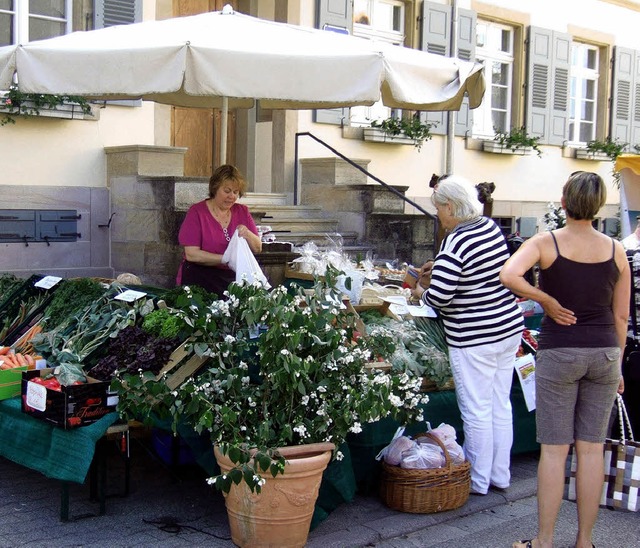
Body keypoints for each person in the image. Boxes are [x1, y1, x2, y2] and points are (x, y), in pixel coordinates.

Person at [499, 171, 629, 548]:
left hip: (560, 351)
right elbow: (620, 316)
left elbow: (509, 274)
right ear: (597, 206)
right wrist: (617, 363)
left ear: (563, 202)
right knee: (591, 450)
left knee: (554, 452)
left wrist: (546, 300)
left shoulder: (546, 242)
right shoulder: (615, 249)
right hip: (604, 351)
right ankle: (585, 541)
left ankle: (543, 541)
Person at [412, 175, 524, 496]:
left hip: (475, 335)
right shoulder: (489, 227)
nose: (438, 216)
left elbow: (441, 295)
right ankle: (499, 476)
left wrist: (422, 291)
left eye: (438, 209)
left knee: (476, 410)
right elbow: (477, 272)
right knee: (500, 405)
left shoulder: (457, 239)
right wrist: (442, 266)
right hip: (507, 328)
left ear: (450, 206)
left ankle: (476, 481)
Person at [176, 164, 262, 297]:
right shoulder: (197, 212)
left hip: (231, 279)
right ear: (215, 188)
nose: (231, 196)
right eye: (227, 191)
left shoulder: (242, 211)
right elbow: (191, 254)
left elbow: (258, 248)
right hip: (200, 278)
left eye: (235, 192)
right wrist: (226, 259)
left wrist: (248, 234)